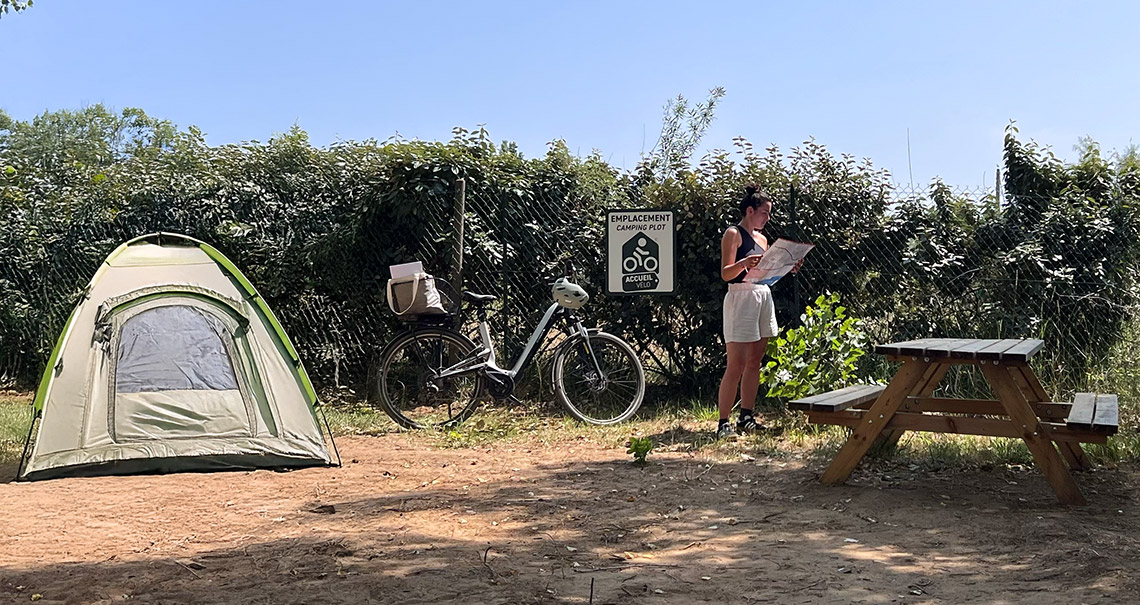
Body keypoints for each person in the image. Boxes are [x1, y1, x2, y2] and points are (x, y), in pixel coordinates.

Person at [716, 184, 800, 439]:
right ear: (750, 210)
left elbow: (765, 273)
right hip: (741, 297)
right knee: (736, 364)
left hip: (763, 295)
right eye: (764, 213)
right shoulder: (734, 234)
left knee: (755, 361)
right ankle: (723, 423)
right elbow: (726, 273)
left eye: (769, 213)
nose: (767, 218)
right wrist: (742, 263)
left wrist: (788, 267)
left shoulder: (763, 240)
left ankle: (747, 415)